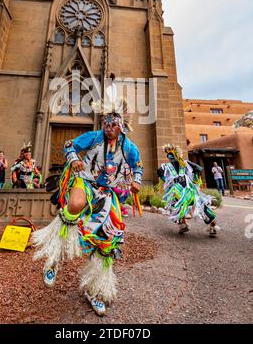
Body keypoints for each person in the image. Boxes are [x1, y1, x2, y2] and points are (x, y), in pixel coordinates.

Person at [32, 98, 143, 316]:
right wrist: (73, 159)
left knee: (106, 242)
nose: (108, 129)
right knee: (75, 204)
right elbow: (69, 145)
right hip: (85, 181)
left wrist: (136, 180)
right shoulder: (94, 138)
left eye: (112, 125)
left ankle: (96, 290)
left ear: (120, 126)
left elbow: (137, 165)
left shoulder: (129, 148)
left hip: (107, 194)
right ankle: (54, 259)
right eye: (105, 124)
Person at [157, 144, 219, 237]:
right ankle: (183, 225)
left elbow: (198, 169)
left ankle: (213, 225)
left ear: (177, 154)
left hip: (189, 190)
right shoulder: (167, 166)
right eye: (169, 155)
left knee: (200, 206)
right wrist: (167, 180)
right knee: (176, 207)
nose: (171, 157)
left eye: (172, 155)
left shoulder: (186, 164)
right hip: (177, 191)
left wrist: (195, 181)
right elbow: (159, 172)